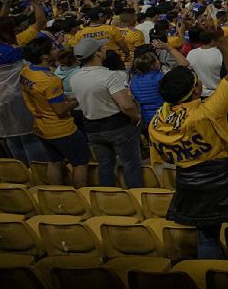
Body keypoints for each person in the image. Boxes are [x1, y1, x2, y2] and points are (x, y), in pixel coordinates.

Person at [149, 20, 228, 267]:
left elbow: (163, 159)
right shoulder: (208, 111)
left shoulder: (157, 121)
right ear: (195, 91)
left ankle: (213, 277)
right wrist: (222, 39)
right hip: (225, 176)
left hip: (189, 179)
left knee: (206, 234)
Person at [71, 37, 144, 188]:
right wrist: (137, 116)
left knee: (105, 165)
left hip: (92, 127)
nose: (104, 50)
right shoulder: (109, 76)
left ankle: (107, 199)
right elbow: (126, 106)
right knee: (131, 164)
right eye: (101, 48)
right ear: (97, 54)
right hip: (117, 126)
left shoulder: (74, 77)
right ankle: (137, 197)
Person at [20, 36, 91, 186]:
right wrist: (77, 99)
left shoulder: (26, 72)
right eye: (52, 49)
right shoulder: (50, 80)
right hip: (62, 129)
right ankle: (83, 198)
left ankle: (56, 197)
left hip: (41, 127)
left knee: (54, 162)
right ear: (45, 56)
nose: (56, 50)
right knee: (80, 163)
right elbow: (60, 109)